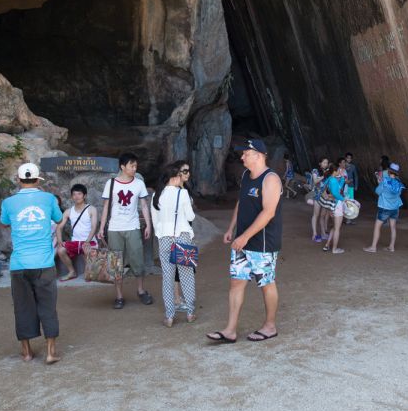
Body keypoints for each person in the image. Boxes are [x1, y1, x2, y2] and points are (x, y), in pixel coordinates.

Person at [207, 139, 282, 343]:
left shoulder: (271, 179)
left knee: (266, 283)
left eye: (245, 153)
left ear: (258, 155)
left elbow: (269, 213)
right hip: (242, 241)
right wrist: (231, 229)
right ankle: (230, 330)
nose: (242, 157)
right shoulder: (246, 176)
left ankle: (270, 326)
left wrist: (245, 236)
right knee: (236, 283)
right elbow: (241, 202)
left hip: (263, 244)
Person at [0, 163, 64, 363]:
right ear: (38, 180)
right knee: (47, 305)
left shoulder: (8, 202)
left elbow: (4, 222)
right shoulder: (48, 198)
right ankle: (51, 352)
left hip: (19, 264)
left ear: (18, 180)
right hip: (44, 262)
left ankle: (27, 352)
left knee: (22, 306)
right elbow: (59, 218)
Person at [99, 153, 154, 309]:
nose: (134, 168)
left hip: (133, 226)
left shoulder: (139, 184)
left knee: (138, 259)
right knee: (116, 263)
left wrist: (148, 225)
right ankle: (119, 295)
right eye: (132, 166)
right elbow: (105, 207)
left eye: (136, 166)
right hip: (115, 228)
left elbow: (143, 205)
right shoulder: (111, 184)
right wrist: (102, 227)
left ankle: (141, 290)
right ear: (122, 167)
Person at [151, 161, 197, 327]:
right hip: (182, 236)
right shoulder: (182, 194)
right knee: (187, 276)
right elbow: (191, 217)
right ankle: (190, 312)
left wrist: (164, 234)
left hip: (164, 238)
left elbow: (155, 221)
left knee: (167, 278)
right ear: (175, 177)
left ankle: (170, 316)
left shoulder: (157, 195)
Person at [55, 184, 98, 281]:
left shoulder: (91, 209)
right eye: (74, 194)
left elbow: (94, 227)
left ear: (85, 195)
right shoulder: (69, 211)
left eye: (79, 194)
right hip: (75, 242)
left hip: (89, 241)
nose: (77, 196)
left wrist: (87, 241)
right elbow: (59, 227)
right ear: (71, 197)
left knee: (86, 249)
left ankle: (89, 272)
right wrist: (60, 241)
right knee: (60, 250)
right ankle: (72, 272)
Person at [365, 163, 404, 252]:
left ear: (389, 171)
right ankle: (391, 246)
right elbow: (398, 194)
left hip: (385, 207)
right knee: (393, 227)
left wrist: (379, 183)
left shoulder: (385, 181)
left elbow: (377, 191)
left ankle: (373, 247)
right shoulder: (399, 184)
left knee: (377, 226)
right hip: (395, 208)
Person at [321, 163, 347, 254]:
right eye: (339, 170)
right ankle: (335, 249)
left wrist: (343, 178)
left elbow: (338, 188)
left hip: (331, 205)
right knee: (337, 229)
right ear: (335, 171)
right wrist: (344, 200)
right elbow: (336, 194)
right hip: (337, 205)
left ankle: (327, 244)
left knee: (334, 227)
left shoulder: (330, 179)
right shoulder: (333, 180)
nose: (340, 171)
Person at [309, 157, 331, 243]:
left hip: (325, 195)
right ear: (320, 163)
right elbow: (315, 181)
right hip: (317, 195)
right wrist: (324, 175)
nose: (325, 164)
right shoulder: (315, 170)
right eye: (324, 162)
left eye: (327, 163)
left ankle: (323, 234)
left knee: (322, 216)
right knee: (316, 214)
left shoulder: (327, 172)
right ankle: (314, 234)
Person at [344, 153, 359, 224]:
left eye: (350, 158)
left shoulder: (353, 166)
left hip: (351, 186)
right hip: (344, 187)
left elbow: (355, 176)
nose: (349, 159)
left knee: (351, 202)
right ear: (345, 158)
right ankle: (343, 217)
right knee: (344, 201)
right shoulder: (343, 166)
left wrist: (356, 186)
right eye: (347, 158)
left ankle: (349, 219)